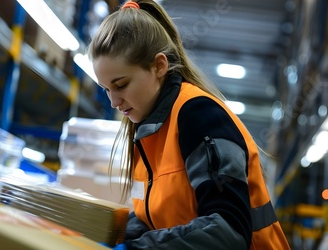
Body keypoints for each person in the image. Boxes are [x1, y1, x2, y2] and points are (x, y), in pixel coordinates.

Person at [88, 0, 290, 249]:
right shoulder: (148, 132)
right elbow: (154, 219)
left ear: (159, 66)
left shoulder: (200, 116)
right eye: (106, 89)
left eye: (120, 85)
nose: (114, 102)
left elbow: (229, 230)